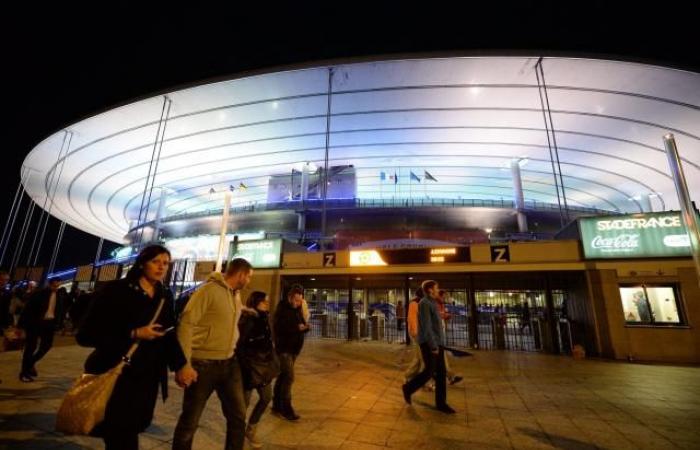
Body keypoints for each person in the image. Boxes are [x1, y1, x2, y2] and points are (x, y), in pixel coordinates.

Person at [76, 245, 186, 450]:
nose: (161, 267)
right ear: (142, 262)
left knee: (133, 427)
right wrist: (133, 333)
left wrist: (181, 365)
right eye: (156, 262)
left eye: (166, 263)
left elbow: (168, 334)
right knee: (120, 434)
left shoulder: (165, 295)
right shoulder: (115, 290)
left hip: (147, 378)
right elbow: (86, 335)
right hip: (117, 372)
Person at [173, 258, 253, 450]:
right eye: (249, 276)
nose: (249, 280)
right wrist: (184, 364)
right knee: (190, 421)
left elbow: (229, 312)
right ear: (241, 274)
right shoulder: (208, 290)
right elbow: (186, 323)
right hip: (203, 364)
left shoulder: (235, 294)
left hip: (229, 363)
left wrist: (247, 310)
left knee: (238, 416)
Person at [402, 280, 455, 414]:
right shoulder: (425, 304)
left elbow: (435, 322)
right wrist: (433, 346)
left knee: (440, 373)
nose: (438, 291)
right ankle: (408, 388)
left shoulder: (433, 303)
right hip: (430, 344)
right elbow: (426, 327)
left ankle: (441, 403)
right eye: (436, 288)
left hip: (438, 343)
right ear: (430, 290)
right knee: (429, 372)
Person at [237, 291, 275, 449]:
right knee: (243, 405)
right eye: (264, 301)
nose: (267, 304)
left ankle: (251, 429)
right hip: (248, 367)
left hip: (263, 365)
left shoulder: (264, 317)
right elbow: (240, 344)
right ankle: (237, 434)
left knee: (266, 397)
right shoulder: (248, 319)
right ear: (256, 302)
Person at [272, 284, 309, 421]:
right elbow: (279, 328)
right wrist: (296, 328)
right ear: (289, 297)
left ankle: (276, 406)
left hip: (294, 349)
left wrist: (305, 327)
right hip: (284, 349)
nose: (298, 303)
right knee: (289, 378)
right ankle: (287, 409)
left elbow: (301, 324)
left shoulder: (297, 309)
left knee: (282, 377)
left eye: (300, 300)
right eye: (296, 300)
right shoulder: (282, 309)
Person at [18, 278, 63, 382]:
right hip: (35, 324)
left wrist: (58, 324)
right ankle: (24, 373)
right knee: (30, 347)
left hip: (49, 324)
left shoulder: (59, 295)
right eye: (54, 286)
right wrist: (21, 325)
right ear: (49, 284)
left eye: (58, 286)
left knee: (47, 346)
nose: (56, 288)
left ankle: (30, 363)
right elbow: (28, 308)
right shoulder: (40, 294)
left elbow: (59, 310)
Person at [436, 290, 463, 385]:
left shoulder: (441, 305)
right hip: (435, 337)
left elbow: (441, 316)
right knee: (426, 362)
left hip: (439, 335)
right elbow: (436, 316)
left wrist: (445, 316)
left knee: (439, 359)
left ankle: (450, 377)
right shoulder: (434, 304)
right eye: (443, 296)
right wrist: (444, 315)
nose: (444, 298)